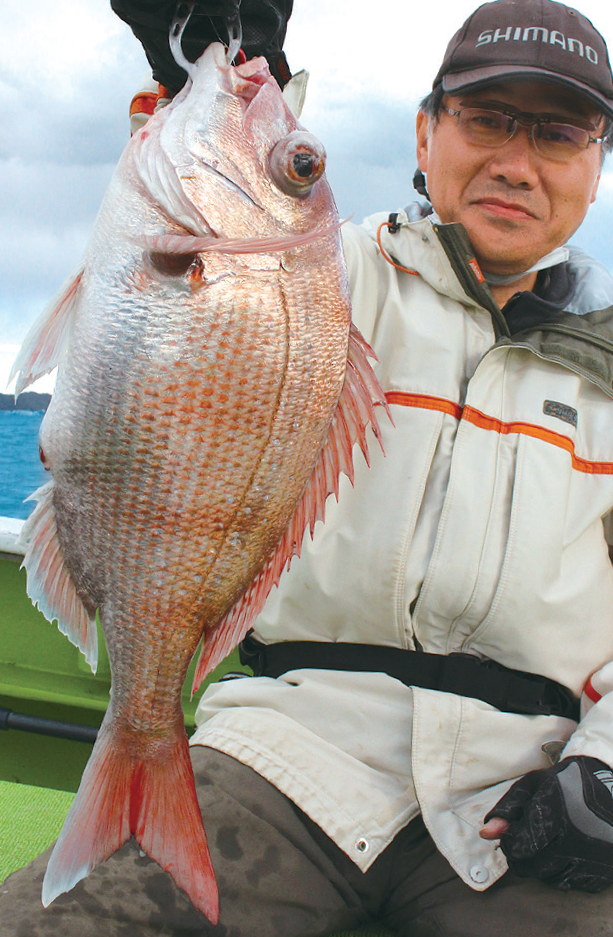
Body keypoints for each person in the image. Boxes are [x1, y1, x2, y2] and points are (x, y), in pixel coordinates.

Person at [4, 0, 613, 934]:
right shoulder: (320, 272)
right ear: (425, 131)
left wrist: (605, 769)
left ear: (596, 164)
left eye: (557, 134)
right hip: (288, 750)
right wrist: (211, 66)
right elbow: (208, 222)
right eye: (485, 120)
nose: (514, 161)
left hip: (526, 789)